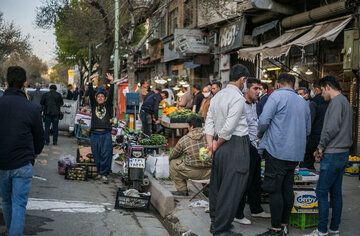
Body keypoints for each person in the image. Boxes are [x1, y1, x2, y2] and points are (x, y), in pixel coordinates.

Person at [256, 73, 311, 236]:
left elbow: (263, 121)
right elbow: (308, 130)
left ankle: (276, 229)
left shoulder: (275, 97)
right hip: (296, 153)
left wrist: (260, 133)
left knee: (274, 189)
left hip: (277, 150)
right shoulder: (303, 102)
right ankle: (284, 224)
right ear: (294, 85)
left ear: (278, 84)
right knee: (287, 188)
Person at [205, 64, 250, 235]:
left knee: (218, 186)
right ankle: (221, 229)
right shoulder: (238, 98)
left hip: (219, 145)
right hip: (234, 145)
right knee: (232, 189)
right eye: (245, 82)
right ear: (242, 79)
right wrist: (216, 144)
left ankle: (216, 222)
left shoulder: (218, 95)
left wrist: (211, 144)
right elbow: (229, 128)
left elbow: (209, 121)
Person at [304, 76, 352, 236]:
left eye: (322, 90)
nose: (320, 94)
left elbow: (331, 128)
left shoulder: (336, 102)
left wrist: (321, 146)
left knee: (322, 191)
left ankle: (322, 229)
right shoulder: (345, 102)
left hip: (332, 154)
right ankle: (334, 228)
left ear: (328, 87)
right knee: (336, 192)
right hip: (342, 153)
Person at [0, 66, 44, 236]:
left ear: (6, 83)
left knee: (6, 201)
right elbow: (39, 137)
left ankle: (11, 230)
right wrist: (35, 153)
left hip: (2, 162)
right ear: (25, 84)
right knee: (19, 203)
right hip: (23, 163)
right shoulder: (32, 108)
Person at [235, 78, 271, 226]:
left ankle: (256, 209)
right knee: (245, 181)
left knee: (256, 180)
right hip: (245, 146)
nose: (258, 91)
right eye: (255, 88)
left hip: (256, 147)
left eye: (260, 89)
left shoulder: (256, 104)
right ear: (247, 89)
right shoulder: (240, 105)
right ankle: (238, 213)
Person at [169, 115, 211, 196]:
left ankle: (182, 190)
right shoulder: (210, 136)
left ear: (191, 127)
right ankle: (208, 188)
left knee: (173, 163)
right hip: (211, 173)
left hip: (192, 172)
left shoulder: (184, 139)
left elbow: (173, 155)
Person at [88, 73, 114, 184]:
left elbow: (111, 95)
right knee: (96, 153)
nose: (100, 98)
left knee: (106, 154)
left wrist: (111, 82)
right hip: (94, 134)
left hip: (105, 134)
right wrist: (90, 81)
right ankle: (99, 172)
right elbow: (90, 93)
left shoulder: (107, 105)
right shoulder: (94, 105)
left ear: (105, 98)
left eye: (102, 97)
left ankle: (104, 174)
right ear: (96, 98)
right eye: (98, 97)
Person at [300, 79, 329, 170]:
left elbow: (310, 121)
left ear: (316, 89)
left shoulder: (314, 102)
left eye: (312, 88)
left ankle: (308, 180)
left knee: (307, 162)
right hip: (326, 136)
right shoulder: (331, 101)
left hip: (314, 136)